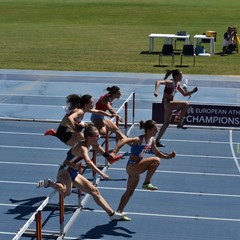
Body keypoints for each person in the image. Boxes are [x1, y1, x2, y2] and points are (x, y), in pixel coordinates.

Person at [37, 125, 126, 221]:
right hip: (65, 171)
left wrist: (108, 157)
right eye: (96, 136)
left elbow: (98, 147)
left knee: (94, 191)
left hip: (73, 172)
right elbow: (88, 162)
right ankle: (49, 183)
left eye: (98, 135)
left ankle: (112, 214)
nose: (99, 137)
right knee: (66, 192)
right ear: (88, 137)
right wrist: (101, 173)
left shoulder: (90, 142)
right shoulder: (83, 147)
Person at [109, 120, 176, 217]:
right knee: (156, 160)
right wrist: (114, 152)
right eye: (155, 129)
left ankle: (118, 213)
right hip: (132, 166)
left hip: (137, 167)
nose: (157, 131)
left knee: (130, 192)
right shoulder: (139, 139)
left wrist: (168, 157)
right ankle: (146, 183)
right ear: (148, 130)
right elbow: (123, 140)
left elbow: (157, 152)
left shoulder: (152, 140)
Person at [45, 94, 117, 147]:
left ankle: (54, 133)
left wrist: (110, 115)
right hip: (65, 134)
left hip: (65, 129)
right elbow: (70, 118)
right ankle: (68, 163)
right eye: (91, 102)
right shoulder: (80, 111)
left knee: (87, 129)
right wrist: (75, 129)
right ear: (86, 104)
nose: (93, 104)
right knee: (83, 145)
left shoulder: (85, 108)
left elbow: (98, 112)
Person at [154, 69, 198, 147]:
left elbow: (184, 94)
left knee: (166, 124)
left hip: (169, 104)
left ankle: (156, 141)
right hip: (167, 103)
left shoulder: (177, 84)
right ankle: (180, 123)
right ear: (176, 76)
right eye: (181, 75)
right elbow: (158, 82)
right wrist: (156, 91)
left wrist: (193, 91)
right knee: (185, 104)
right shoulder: (171, 82)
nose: (182, 76)